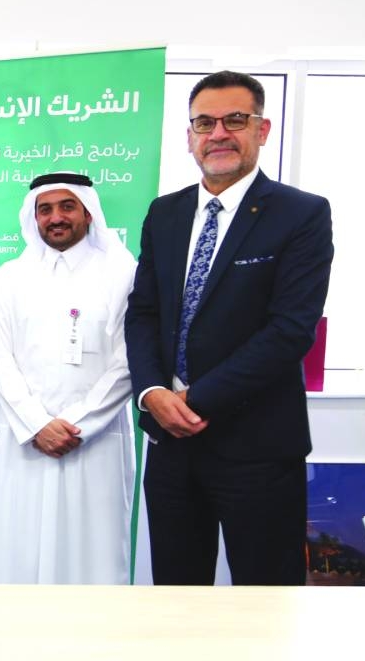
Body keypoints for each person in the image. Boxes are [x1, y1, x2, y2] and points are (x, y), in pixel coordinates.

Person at [125, 71, 334, 585]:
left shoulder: (301, 213)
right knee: (177, 600)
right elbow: (144, 313)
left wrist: (192, 401)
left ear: (261, 130)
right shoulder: (165, 213)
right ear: (189, 136)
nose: (218, 133)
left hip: (258, 449)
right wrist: (153, 392)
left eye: (235, 120)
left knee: (266, 604)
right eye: (204, 122)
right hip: (172, 448)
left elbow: (289, 331)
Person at [0, 172, 136, 584]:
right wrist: (37, 424)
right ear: (33, 217)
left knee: (93, 557)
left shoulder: (122, 272)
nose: (56, 218)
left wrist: (77, 425)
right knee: (20, 553)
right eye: (45, 209)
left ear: (87, 212)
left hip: (95, 442)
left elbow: (129, 361)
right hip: (27, 441)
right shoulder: (10, 276)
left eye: (67, 206)